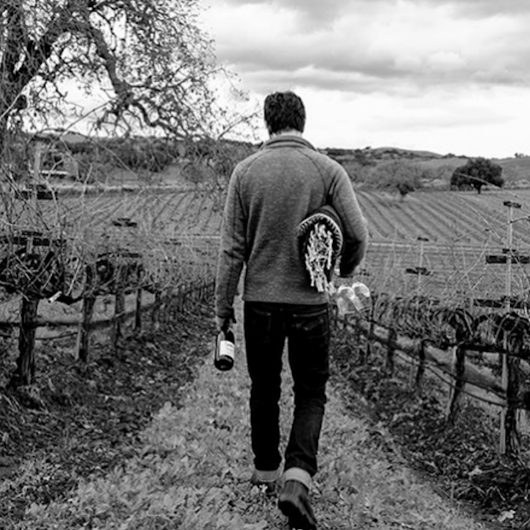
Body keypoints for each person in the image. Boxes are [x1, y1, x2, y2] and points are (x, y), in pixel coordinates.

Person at [215, 91, 368, 529]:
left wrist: (223, 307)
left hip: (260, 302)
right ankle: (297, 479)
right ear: (302, 121)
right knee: (311, 391)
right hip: (310, 305)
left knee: (264, 387)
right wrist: (340, 271)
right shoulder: (327, 170)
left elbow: (232, 249)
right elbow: (358, 233)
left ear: (267, 123)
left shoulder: (245, 172)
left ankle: (266, 471)